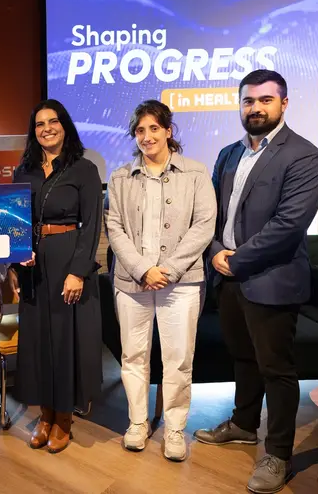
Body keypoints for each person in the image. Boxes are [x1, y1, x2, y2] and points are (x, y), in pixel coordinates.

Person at [194, 70, 318, 494]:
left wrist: (238, 260)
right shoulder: (229, 154)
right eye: (248, 101)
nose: (256, 108)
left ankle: (279, 454)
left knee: (277, 370)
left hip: (271, 277)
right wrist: (215, 250)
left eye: (265, 100)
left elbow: (289, 224)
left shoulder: (304, 156)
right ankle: (245, 424)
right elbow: (211, 212)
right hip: (229, 275)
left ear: (283, 104)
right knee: (243, 358)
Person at [105, 100, 216, 462]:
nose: (147, 136)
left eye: (154, 128)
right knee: (133, 356)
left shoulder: (196, 173)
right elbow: (115, 228)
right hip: (133, 282)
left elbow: (203, 226)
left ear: (168, 130)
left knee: (178, 359)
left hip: (180, 282)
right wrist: (142, 269)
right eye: (140, 130)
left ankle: (174, 429)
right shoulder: (121, 177)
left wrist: (167, 269)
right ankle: (138, 423)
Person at [9, 98, 103, 454]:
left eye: (53, 122)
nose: (46, 128)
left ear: (65, 126)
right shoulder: (26, 171)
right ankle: (44, 415)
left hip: (67, 258)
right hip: (33, 263)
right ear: (33, 132)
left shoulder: (84, 169)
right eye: (39, 124)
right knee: (37, 342)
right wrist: (17, 266)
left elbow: (91, 225)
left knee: (64, 342)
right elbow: (15, 222)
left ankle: (63, 418)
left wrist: (78, 272)